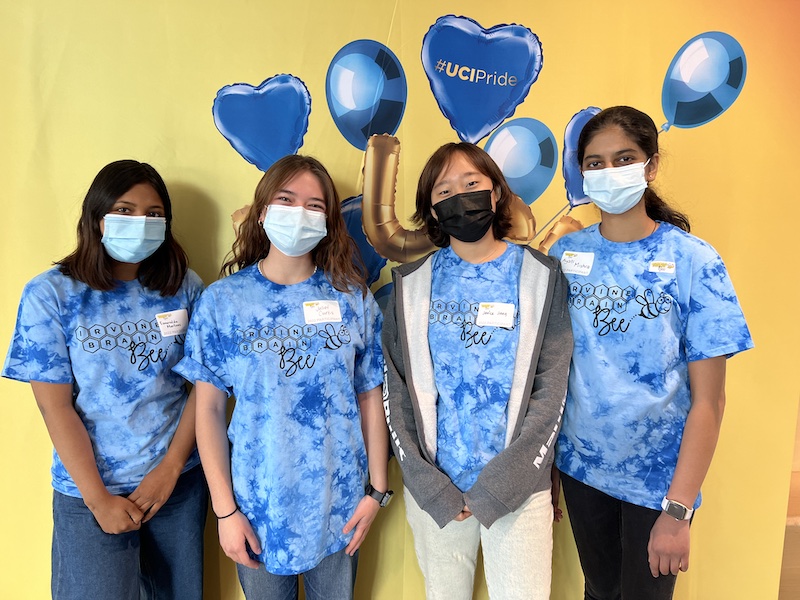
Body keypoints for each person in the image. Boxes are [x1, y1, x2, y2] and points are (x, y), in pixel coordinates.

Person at [549, 106, 754, 599]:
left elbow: (710, 402)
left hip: (657, 482)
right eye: (594, 162)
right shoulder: (564, 256)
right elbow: (553, 372)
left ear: (651, 165)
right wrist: (548, 470)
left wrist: (679, 509)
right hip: (581, 469)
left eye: (623, 158)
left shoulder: (694, 261)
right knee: (599, 591)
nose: (607, 171)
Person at [174, 154, 387, 600]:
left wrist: (377, 491)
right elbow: (209, 410)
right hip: (256, 506)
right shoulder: (223, 302)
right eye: (287, 199)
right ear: (264, 208)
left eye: (315, 205)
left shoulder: (352, 298)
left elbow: (370, 395)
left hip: (342, 502)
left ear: (328, 220)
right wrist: (225, 511)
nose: (300, 213)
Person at [2, 160, 207, 599]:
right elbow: (53, 405)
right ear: (97, 219)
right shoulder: (51, 294)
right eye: (125, 210)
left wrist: (170, 469)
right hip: (89, 492)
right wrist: (98, 499)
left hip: (176, 486)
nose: (141, 223)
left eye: (154, 214)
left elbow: (204, 388)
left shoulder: (185, 287)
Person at [382, 142, 572, 600]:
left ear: (495, 192)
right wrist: (430, 487)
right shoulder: (410, 286)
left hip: (518, 487)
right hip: (438, 489)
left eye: (471, 184)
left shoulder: (541, 277)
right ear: (431, 209)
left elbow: (551, 390)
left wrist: (501, 487)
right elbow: (397, 393)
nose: (459, 197)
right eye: (444, 191)